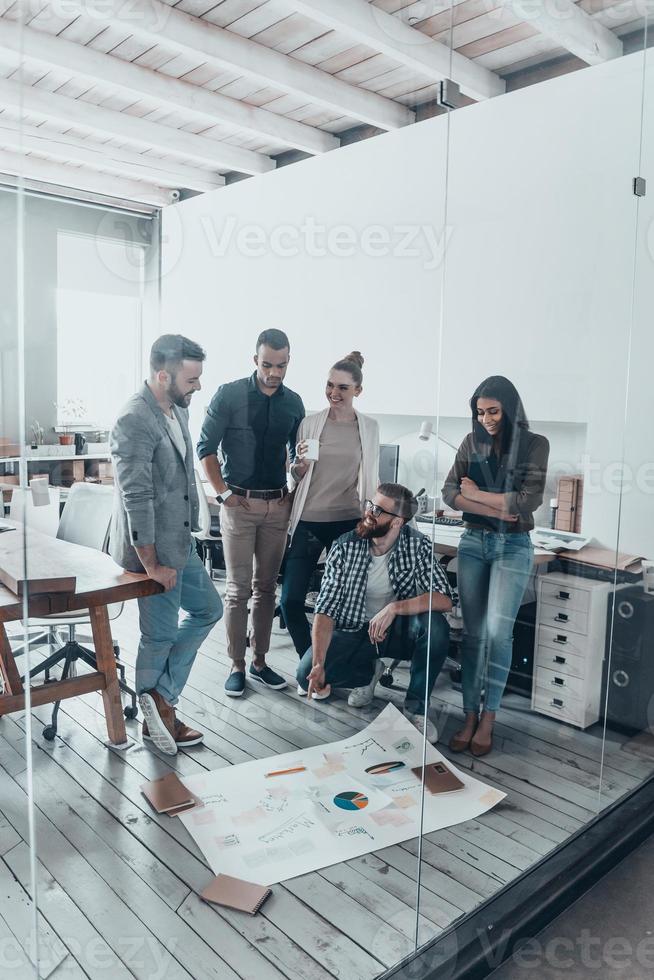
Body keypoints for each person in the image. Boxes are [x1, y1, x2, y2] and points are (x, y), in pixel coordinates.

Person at [110, 334, 223, 756]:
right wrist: (153, 565)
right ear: (162, 375)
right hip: (153, 550)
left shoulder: (177, 407)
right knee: (157, 636)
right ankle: (159, 718)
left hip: (181, 541)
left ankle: (159, 699)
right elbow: (135, 498)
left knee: (209, 609)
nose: (197, 386)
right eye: (191, 379)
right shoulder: (134, 419)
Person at [442, 375, 549, 757]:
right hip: (472, 543)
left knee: (498, 634)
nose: (486, 418)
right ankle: (469, 715)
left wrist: (476, 495)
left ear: (509, 409)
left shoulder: (535, 445)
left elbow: (525, 502)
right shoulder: (472, 442)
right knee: (472, 636)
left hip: (513, 546)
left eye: (493, 411)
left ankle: (489, 718)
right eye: (480, 412)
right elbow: (450, 494)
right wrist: (491, 503)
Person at [296, 484, 453, 742]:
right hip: (353, 629)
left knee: (436, 628)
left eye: (379, 510)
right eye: (370, 504)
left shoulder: (417, 544)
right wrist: (319, 663)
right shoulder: (345, 546)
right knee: (305, 676)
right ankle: (369, 673)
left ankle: (416, 709)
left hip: (396, 630)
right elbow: (325, 609)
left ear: (397, 522)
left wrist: (394, 608)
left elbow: (444, 599)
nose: (369, 512)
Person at [197, 329, 305, 698]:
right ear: (254, 360)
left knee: (265, 590)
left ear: (289, 361)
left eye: (282, 365)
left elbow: (295, 456)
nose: (274, 372)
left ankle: (259, 662)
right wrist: (223, 494)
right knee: (237, 590)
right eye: (267, 365)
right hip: (238, 505)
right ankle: (236, 664)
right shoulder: (229, 394)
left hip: (277, 506)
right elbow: (205, 447)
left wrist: (296, 480)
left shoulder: (294, 404)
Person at [281, 351, 379, 668]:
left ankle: (335, 664)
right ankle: (310, 663)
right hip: (308, 519)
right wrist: (298, 467)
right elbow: (296, 475)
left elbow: (371, 477)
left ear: (358, 391)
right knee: (291, 601)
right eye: (329, 385)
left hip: (347, 523)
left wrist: (374, 514)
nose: (334, 393)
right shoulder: (310, 425)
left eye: (343, 388)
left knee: (346, 604)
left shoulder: (369, 428)